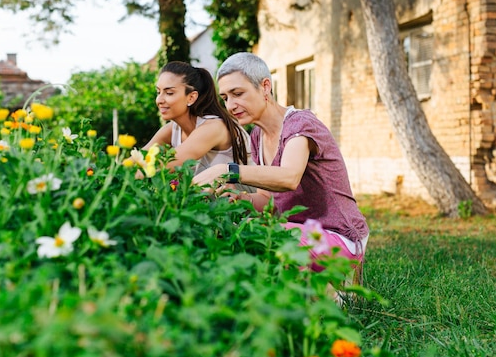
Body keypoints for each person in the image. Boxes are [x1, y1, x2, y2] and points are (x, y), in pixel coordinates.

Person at [193, 52, 369, 272]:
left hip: (340, 239)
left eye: (238, 93)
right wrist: (242, 198)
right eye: (226, 98)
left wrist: (227, 171)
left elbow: (289, 177)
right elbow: (268, 201)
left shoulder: (300, 125)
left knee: (267, 237)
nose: (230, 105)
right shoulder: (258, 136)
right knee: (244, 232)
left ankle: (334, 293)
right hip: (299, 233)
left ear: (265, 86)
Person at [142, 61, 252, 179]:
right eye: (158, 92)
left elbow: (166, 166)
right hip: (211, 196)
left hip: (248, 195)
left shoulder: (213, 127)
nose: (159, 100)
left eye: (169, 93)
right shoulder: (172, 129)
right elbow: (139, 158)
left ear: (191, 97)